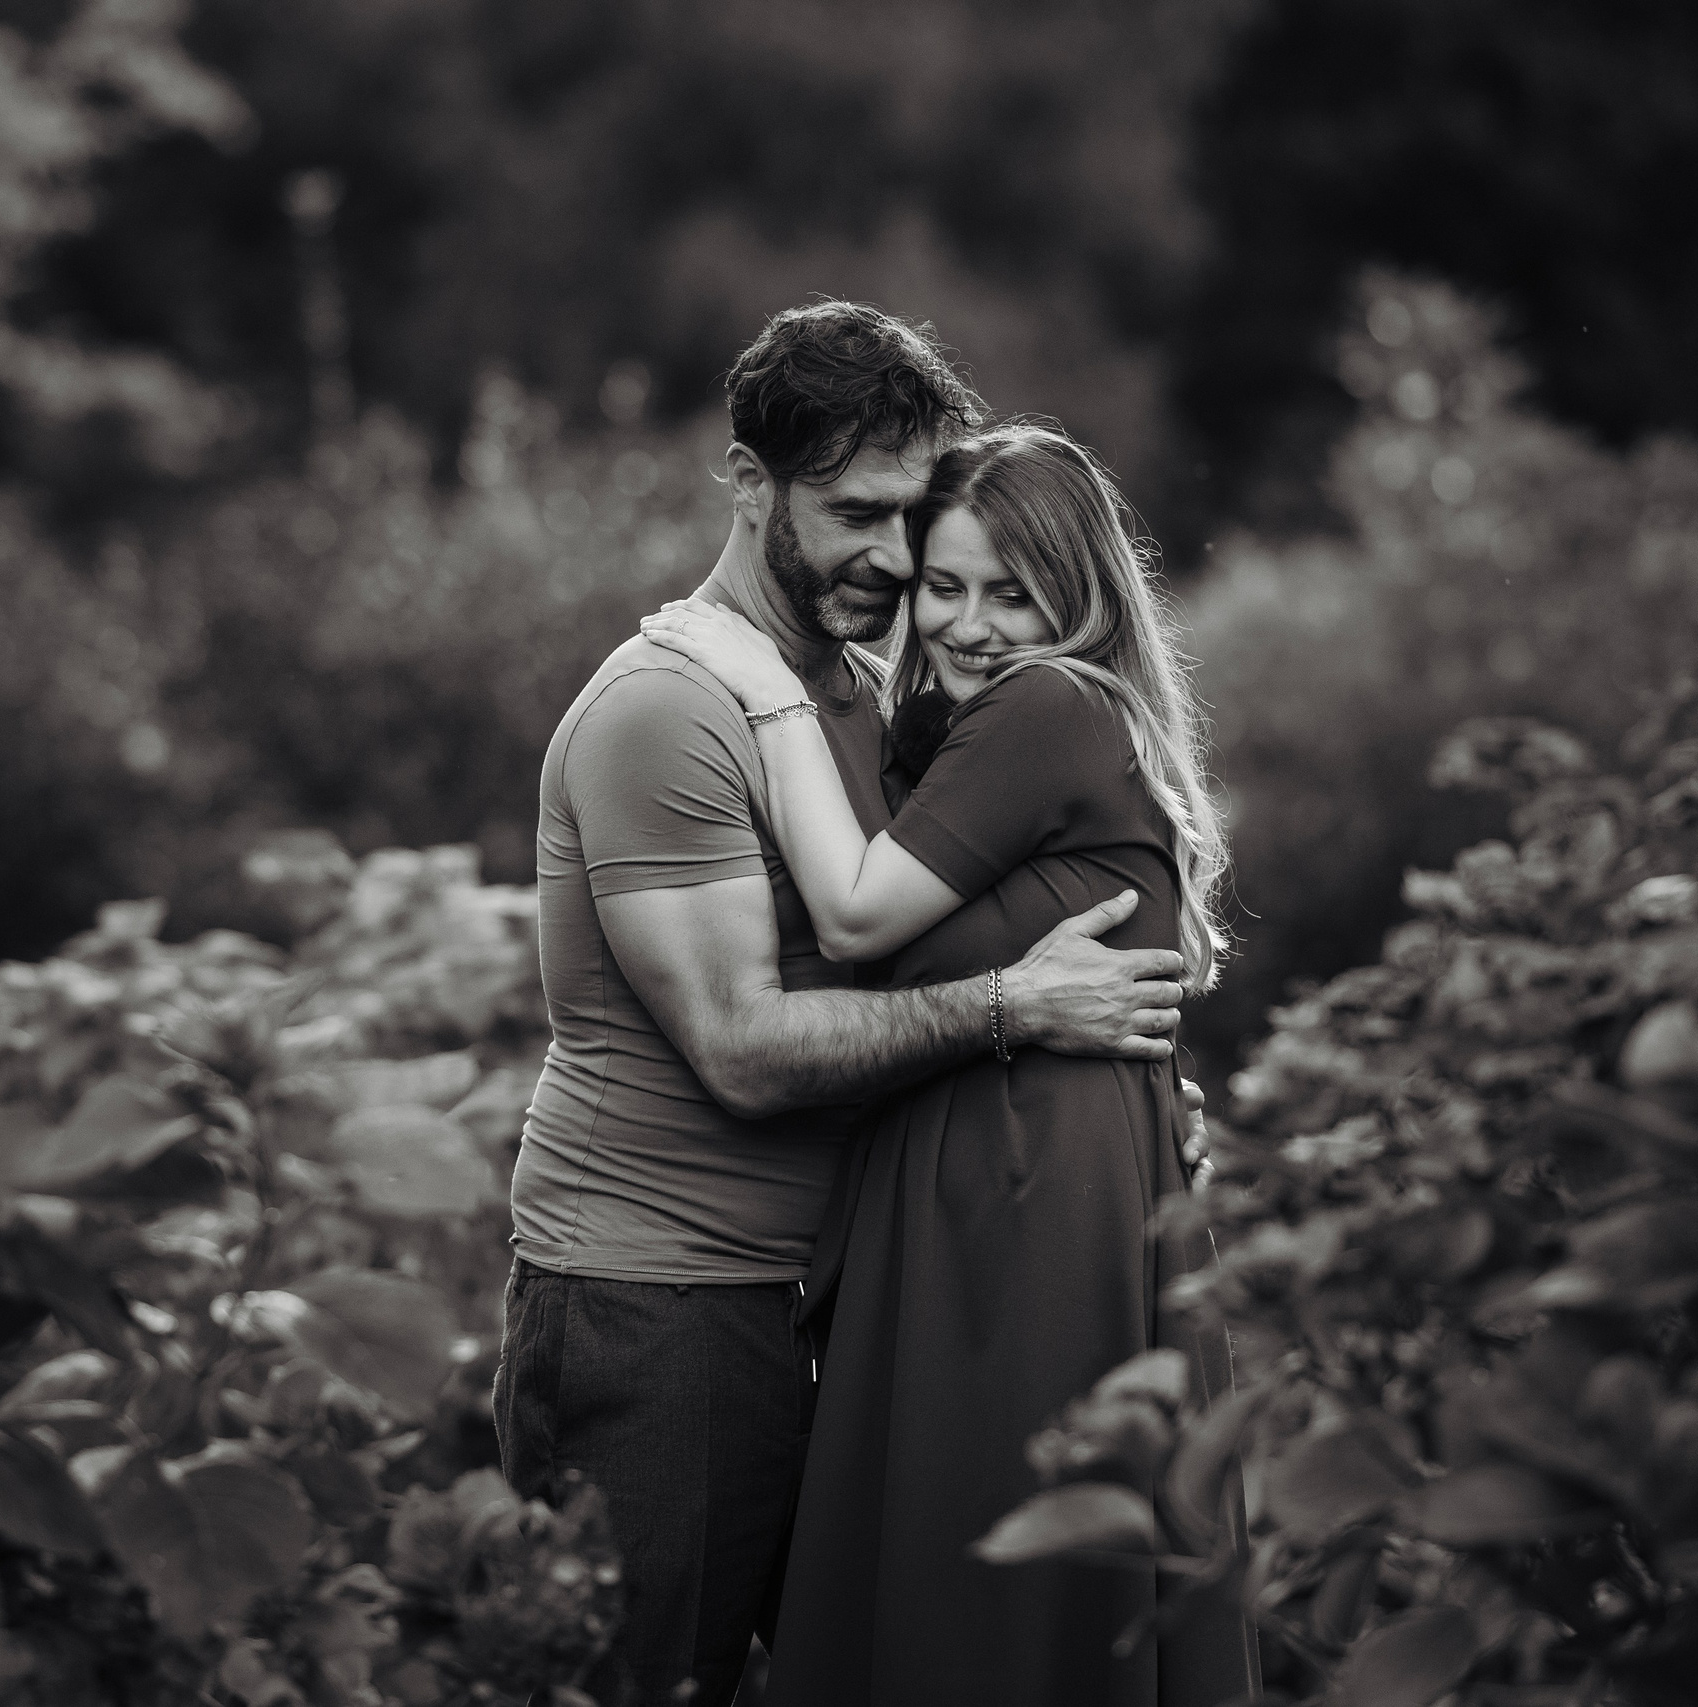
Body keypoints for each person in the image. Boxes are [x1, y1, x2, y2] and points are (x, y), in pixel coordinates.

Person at [493, 305, 1196, 1707]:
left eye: (910, 521)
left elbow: (1009, 913)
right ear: (750, 484)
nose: (889, 557)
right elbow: (744, 1049)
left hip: (838, 1299)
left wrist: (1127, 1089)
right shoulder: (671, 711)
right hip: (665, 1302)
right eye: (852, 512)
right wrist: (1016, 1011)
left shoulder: (874, 692)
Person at [637, 420, 1236, 1706]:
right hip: (1010, 1178)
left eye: (1011, 593)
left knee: (988, 1570)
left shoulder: (1048, 702)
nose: (967, 626)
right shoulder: (982, 730)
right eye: (943, 587)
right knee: (975, 1570)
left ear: (1079, 595)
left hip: (1020, 1202)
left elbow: (855, 918)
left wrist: (754, 673)